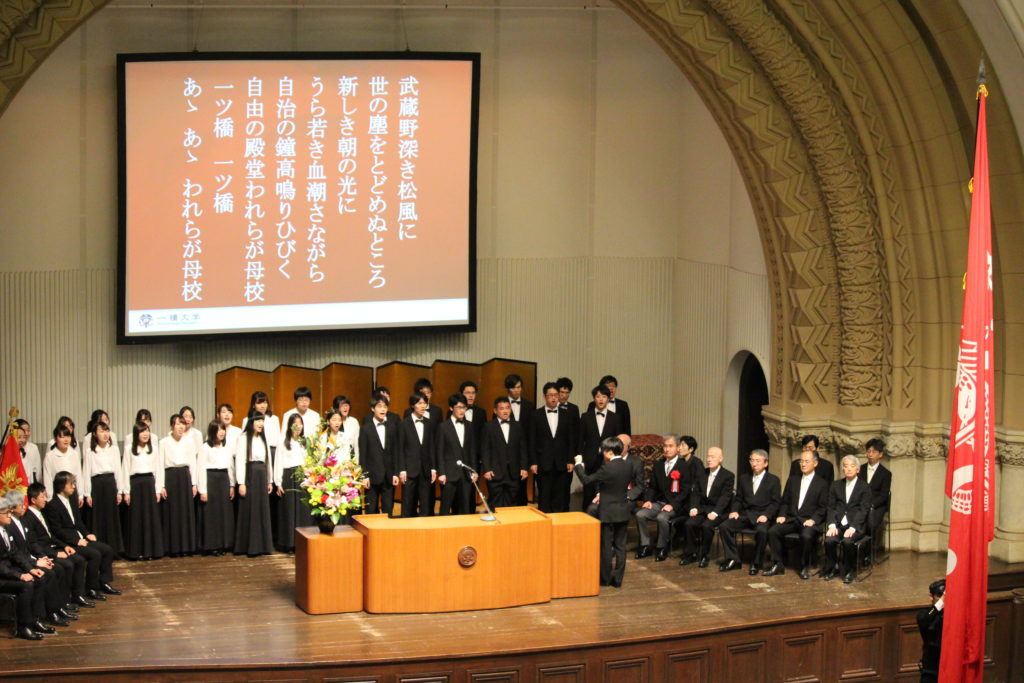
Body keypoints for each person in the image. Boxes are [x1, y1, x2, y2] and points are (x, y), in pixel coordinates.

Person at [43, 471, 119, 600]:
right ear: (62, 486)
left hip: (80, 538)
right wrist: (76, 541)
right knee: (94, 554)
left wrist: (87, 534)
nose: (74, 486)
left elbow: (78, 521)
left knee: (107, 550)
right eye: (71, 484)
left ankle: (104, 582)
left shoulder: (72, 500)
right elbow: (57, 530)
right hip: (69, 542)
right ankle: (91, 588)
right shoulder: (53, 505)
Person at [5, 490, 74, 629]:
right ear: (12, 509)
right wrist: (34, 564)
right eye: (21, 504)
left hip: (29, 559)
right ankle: (42, 615)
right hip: (19, 565)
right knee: (47, 574)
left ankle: (57, 607)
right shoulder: (9, 526)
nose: (24, 506)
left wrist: (43, 557)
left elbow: (32, 543)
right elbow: (15, 553)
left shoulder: (23, 520)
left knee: (57, 568)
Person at [573, 437, 632, 587]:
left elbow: (586, 480)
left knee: (606, 546)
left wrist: (579, 464)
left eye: (603, 450)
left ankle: (605, 579)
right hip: (623, 510)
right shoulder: (628, 465)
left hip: (608, 512)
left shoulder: (607, 468)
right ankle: (618, 580)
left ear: (609, 452)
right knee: (620, 546)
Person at [23, 482, 91, 610]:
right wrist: (53, 554)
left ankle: (77, 596)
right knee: (65, 565)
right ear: (33, 500)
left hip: (53, 547)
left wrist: (64, 546)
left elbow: (51, 536)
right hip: (45, 552)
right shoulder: (28, 518)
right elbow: (34, 544)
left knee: (79, 560)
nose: (45, 499)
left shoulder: (41, 513)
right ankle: (61, 603)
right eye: (42, 497)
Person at [765, 450, 829, 579]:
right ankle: (778, 564)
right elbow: (785, 501)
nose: (803, 464)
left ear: (815, 463)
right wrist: (782, 514)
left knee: (806, 535)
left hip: (808, 521)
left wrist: (813, 520)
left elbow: (823, 508)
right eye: (801, 461)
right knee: (773, 531)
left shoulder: (822, 484)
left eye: (807, 461)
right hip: (791, 518)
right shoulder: (793, 480)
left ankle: (804, 566)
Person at [719, 449, 780, 574]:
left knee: (762, 531)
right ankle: (733, 559)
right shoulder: (744, 478)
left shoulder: (774, 480)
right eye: (752, 460)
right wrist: (735, 510)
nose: (754, 463)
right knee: (724, 526)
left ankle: (756, 562)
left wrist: (766, 515)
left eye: (758, 461)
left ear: (765, 463)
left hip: (762, 515)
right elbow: (738, 498)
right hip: (746, 514)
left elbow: (775, 503)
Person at [0, 495, 51, 639]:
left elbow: (15, 554)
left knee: (39, 577)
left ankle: (35, 619)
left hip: (9, 570)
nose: (10, 516)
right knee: (26, 585)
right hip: (3, 575)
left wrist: (30, 568)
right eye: (6, 513)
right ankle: (24, 626)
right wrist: (20, 575)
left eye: (10, 512)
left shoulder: (5, 530)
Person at [634, 434, 690, 561]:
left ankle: (661, 547)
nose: (667, 449)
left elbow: (686, 491)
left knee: (662, 517)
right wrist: (648, 500)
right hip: (659, 502)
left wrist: (673, 505)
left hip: (676, 505)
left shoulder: (684, 466)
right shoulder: (658, 465)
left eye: (670, 446)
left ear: (677, 448)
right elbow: (652, 486)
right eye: (665, 446)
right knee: (640, 514)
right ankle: (645, 545)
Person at [681, 446, 735, 568]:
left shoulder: (728, 476)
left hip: (718, 510)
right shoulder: (702, 473)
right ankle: (691, 554)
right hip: (703, 508)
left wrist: (716, 512)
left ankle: (705, 555)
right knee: (689, 523)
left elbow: (725, 497)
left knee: (706, 526)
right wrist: (694, 507)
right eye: (708, 456)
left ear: (720, 459)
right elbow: (696, 493)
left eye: (712, 457)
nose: (709, 459)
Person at [823, 455, 872, 583]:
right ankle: (833, 567)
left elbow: (863, 510)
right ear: (842, 469)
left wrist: (853, 527)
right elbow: (831, 507)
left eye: (852, 466)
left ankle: (850, 570)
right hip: (839, 524)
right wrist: (832, 524)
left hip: (855, 525)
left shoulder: (864, 487)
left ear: (857, 469)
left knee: (848, 542)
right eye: (845, 466)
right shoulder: (835, 485)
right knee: (829, 540)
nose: (848, 468)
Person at [80, 421, 125, 555]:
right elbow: (86, 473)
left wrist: (120, 490)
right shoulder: (90, 451)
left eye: (106, 431)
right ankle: (99, 550)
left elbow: (118, 470)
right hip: (97, 485)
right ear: (94, 434)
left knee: (112, 518)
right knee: (98, 518)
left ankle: (114, 550)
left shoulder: (114, 449)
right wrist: (87, 493)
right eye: (101, 431)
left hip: (111, 484)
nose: (105, 434)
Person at [121, 420, 164, 561]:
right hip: (135, 484)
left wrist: (158, 489)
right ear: (136, 434)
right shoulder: (129, 449)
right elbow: (125, 470)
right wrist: (126, 491)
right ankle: (136, 551)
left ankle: (150, 551)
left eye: (147, 431)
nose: (145, 434)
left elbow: (158, 470)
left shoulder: (154, 449)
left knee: (150, 518)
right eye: (142, 431)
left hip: (149, 484)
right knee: (136, 519)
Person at [531, 382, 576, 513]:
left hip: (562, 464)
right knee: (544, 498)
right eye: (550, 395)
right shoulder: (535, 415)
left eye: (556, 395)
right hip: (542, 463)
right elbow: (532, 440)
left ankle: (559, 530)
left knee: (560, 498)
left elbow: (571, 440)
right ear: (544, 396)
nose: (554, 398)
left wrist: (570, 460)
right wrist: (533, 462)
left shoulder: (567, 414)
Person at [577, 384, 623, 510]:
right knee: (588, 493)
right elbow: (580, 440)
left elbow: (618, 441)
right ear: (594, 399)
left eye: (604, 396)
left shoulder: (615, 418)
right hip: (590, 460)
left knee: (607, 492)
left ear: (608, 399)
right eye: (598, 396)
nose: (601, 399)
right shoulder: (586, 416)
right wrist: (581, 461)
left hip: (608, 461)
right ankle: (587, 521)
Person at [234, 413, 273, 556]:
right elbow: (239, 461)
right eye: (258, 420)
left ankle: (263, 546)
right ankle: (247, 546)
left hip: (262, 475)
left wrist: (270, 480)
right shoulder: (243, 438)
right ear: (251, 422)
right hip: (250, 474)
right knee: (249, 509)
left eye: (262, 420)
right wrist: (241, 483)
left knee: (262, 509)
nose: (261, 423)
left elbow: (268, 460)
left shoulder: (264, 438)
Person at [159, 413, 198, 557]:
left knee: (185, 512)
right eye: (177, 424)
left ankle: (186, 547)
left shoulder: (189, 441)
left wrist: (194, 483)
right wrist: (161, 485)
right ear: (171, 426)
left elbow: (193, 463)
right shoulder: (164, 442)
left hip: (184, 476)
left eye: (183, 424)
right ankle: (172, 548)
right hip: (170, 477)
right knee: (172, 512)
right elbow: (160, 464)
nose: (181, 426)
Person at [480, 397, 528, 509]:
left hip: (514, 472)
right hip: (495, 472)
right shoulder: (488, 427)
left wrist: (524, 468)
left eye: (507, 408)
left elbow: (523, 449)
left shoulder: (518, 426)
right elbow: (485, 450)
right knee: (495, 502)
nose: (505, 411)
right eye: (501, 408)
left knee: (512, 503)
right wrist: (487, 469)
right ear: (495, 411)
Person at [436, 393, 478, 515]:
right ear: (451, 408)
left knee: (464, 507)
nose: (461, 410)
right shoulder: (443, 427)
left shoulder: (470, 426)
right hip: (449, 474)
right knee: (445, 507)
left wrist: (474, 470)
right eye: (459, 407)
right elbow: (439, 451)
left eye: (464, 407)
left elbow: (472, 451)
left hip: (465, 474)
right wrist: (442, 472)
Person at [197, 420, 235, 556]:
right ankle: (212, 545)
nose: (222, 432)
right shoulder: (204, 448)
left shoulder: (227, 447)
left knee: (224, 513)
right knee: (212, 514)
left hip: (223, 479)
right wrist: (203, 490)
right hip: (210, 480)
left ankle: (224, 543)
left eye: (223, 429)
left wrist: (232, 484)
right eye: (219, 430)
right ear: (213, 431)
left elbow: (230, 467)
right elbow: (200, 469)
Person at [274, 414, 311, 550]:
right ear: (290, 426)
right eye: (295, 423)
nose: (298, 426)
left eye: (300, 423)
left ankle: (302, 543)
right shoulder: (283, 442)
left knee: (303, 512)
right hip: (289, 477)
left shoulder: (305, 442)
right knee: (289, 511)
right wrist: (278, 482)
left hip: (303, 477)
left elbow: (309, 462)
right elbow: (278, 462)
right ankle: (289, 543)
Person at [359, 396, 400, 516]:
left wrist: (395, 473)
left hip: (388, 476)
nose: (383, 409)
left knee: (388, 511)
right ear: (372, 409)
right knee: (371, 510)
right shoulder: (365, 429)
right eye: (379, 406)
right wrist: (364, 475)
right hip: (371, 477)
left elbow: (396, 452)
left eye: (385, 406)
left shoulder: (392, 427)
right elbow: (363, 454)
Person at [398, 393, 437, 517]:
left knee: (426, 506)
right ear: (412, 405)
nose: (423, 406)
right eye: (419, 403)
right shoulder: (404, 424)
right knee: (408, 505)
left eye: (424, 403)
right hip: (409, 471)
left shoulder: (430, 423)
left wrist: (433, 468)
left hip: (426, 470)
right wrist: (402, 469)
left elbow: (432, 447)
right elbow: (400, 449)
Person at [504, 374, 535, 506]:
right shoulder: (502, 405)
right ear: (508, 389)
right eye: (514, 388)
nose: (517, 390)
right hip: (506, 451)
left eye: (519, 387)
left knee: (522, 484)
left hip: (523, 451)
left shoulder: (529, 405)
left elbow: (532, 431)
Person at [859, 438, 892, 544]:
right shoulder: (860, 469)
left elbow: (883, 495)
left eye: (873, 452)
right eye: (868, 451)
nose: (870, 454)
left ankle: (868, 553)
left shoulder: (886, 473)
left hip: (876, 506)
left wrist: (871, 504)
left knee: (870, 524)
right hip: (860, 503)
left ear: (880, 454)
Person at [43, 424, 82, 500]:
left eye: (68, 436)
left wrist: (80, 495)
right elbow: (47, 479)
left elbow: (78, 475)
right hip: (57, 493)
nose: (66, 440)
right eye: (62, 437)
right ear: (55, 439)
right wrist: (49, 498)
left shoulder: (74, 454)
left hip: (72, 491)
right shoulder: (50, 456)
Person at [917, 579, 945, 683]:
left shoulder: (953, 614)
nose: (943, 600)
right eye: (939, 596)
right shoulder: (925, 614)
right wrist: (941, 602)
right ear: (931, 597)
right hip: (931, 670)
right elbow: (926, 619)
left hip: (949, 665)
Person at [331, 395, 361, 461]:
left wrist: (357, 461)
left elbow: (357, 444)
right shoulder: (332, 421)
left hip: (350, 456)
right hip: (335, 457)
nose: (345, 408)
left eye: (347, 405)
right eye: (342, 406)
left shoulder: (354, 421)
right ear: (336, 407)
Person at [13, 419, 42, 486]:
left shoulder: (33, 447)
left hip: (29, 485)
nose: (26, 433)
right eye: (23, 430)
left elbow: (38, 470)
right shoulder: (10, 448)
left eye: (28, 430)